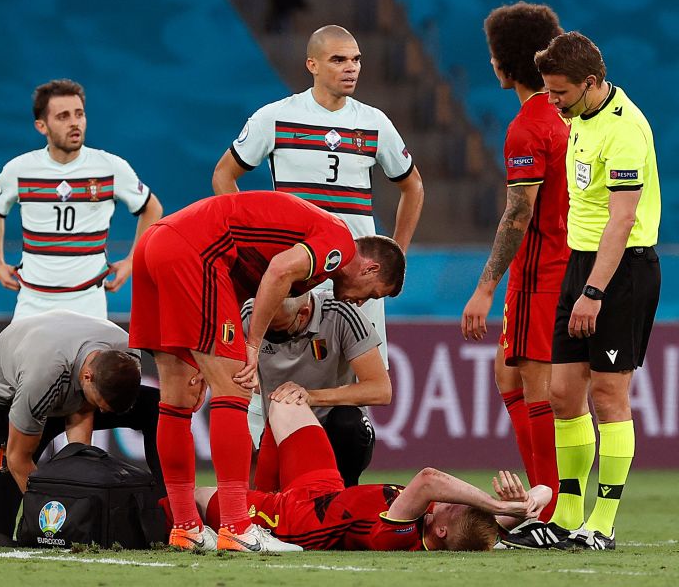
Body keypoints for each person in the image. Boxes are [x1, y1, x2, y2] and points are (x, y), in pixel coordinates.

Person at [129, 190, 406, 552]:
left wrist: (202, 359)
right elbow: (277, 272)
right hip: (194, 251)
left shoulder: (307, 249)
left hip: (156, 243)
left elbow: (240, 286)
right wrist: (252, 345)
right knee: (236, 387)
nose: (363, 301)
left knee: (177, 397)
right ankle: (237, 526)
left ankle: (186, 526)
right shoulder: (338, 244)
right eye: (374, 292)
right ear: (370, 268)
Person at [504, 32, 661, 551]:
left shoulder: (626, 129)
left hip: (620, 271)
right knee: (563, 394)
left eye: (560, 93)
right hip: (581, 264)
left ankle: (603, 522)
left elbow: (622, 221)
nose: (552, 102)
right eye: (548, 92)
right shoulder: (579, 119)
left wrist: (594, 292)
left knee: (609, 395)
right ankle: (568, 516)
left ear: (591, 83)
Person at [212, 24, 425, 370]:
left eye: (356, 59)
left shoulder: (374, 123)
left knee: (359, 384)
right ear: (312, 65)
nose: (351, 67)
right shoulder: (275, 117)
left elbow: (413, 186)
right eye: (338, 60)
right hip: (296, 272)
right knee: (271, 376)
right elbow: (224, 174)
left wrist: (395, 254)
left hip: (356, 275)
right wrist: (246, 248)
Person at [184, 402, 550, 551]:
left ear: (440, 531)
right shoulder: (464, 526)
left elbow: (427, 478)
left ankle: (252, 519)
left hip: (295, 517)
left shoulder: (400, 534)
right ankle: (261, 487)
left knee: (196, 497)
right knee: (284, 401)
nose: (455, 501)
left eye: (453, 509)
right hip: (325, 486)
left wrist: (496, 503)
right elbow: (547, 491)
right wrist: (527, 503)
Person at [461, 2, 566, 521]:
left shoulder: (530, 127)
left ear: (504, 65)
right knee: (509, 377)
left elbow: (517, 213)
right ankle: (545, 500)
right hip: (573, 268)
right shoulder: (573, 119)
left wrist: (485, 287)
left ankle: (545, 510)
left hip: (540, 273)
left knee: (534, 385)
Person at [0, 310, 152, 547]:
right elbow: (19, 458)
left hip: (61, 384)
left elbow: (82, 411)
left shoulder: (129, 356)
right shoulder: (41, 377)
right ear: (88, 377)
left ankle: (167, 509)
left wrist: (75, 494)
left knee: (154, 405)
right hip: (3, 404)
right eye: (101, 404)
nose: (104, 413)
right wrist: (53, 521)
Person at [0, 78, 162, 320]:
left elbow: (152, 208)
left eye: (79, 114)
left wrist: (132, 261)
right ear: (41, 126)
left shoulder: (110, 167)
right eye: (63, 116)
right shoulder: (19, 169)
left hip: (89, 302)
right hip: (33, 302)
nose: (74, 123)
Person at [243, 290, 391, 490]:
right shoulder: (250, 314)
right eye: (265, 329)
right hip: (281, 431)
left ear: (303, 314)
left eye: (278, 331)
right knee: (272, 504)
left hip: (335, 434)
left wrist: (309, 396)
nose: (269, 337)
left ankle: (344, 495)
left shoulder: (341, 314)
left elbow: (380, 389)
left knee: (348, 421)